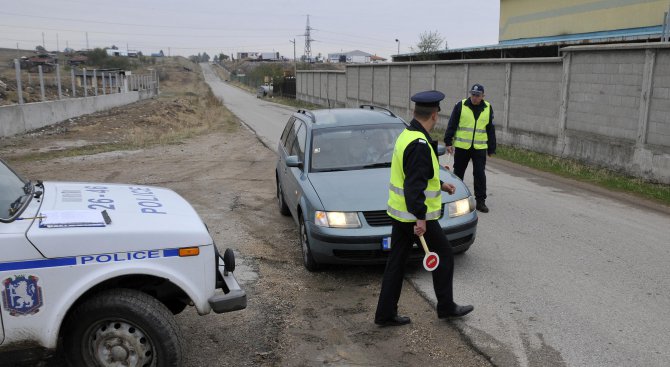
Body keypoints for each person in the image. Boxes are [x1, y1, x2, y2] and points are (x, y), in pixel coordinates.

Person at [374, 90, 474, 327]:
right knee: (444, 255)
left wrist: (441, 184)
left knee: (396, 263)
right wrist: (420, 219)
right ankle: (446, 306)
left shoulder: (406, 135)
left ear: (415, 112)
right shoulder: (419, 143)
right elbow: (413, 186)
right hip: (416, 217)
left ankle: (385, 313)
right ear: (435, 115)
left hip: (401, 215)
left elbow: (416, 175)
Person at [443, 84, 496, 213]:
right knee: (458, 174)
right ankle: (455, 198)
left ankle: (480, 202)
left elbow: (490, 129)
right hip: (462, 147)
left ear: (483, 96)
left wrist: (491, 148)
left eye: (478, 95)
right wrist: (448, 142)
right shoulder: (461, 105)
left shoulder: (488, 108)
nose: (475, 97)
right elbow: (452, 124)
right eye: (473, 94)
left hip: (479, 148)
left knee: (479, 174)